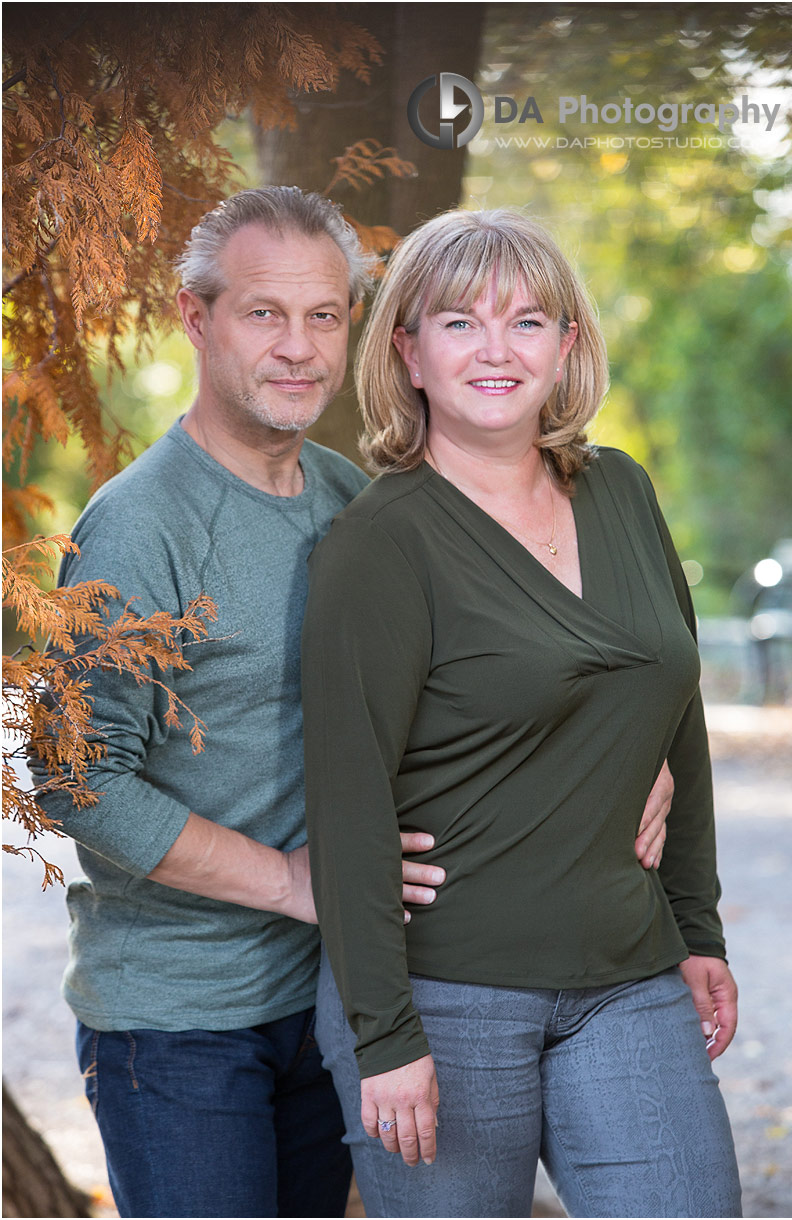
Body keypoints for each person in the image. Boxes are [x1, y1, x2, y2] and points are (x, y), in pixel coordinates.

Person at [301, 208, 742, 1218]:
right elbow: (349, 796)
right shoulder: (379, 543)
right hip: (447, 995)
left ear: (567, 344)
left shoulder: (622, 490)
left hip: (629, 979)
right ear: (407, 349)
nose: (496, 350)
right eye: (459, 323)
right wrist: (384, 1035)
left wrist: (697, 926)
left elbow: (677, 719)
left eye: (528, 320)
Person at [28, 186, 453, 1220]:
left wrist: (649, 765)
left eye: (324, 315)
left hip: (327, 1003)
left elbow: (459, 685)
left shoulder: (351, 497)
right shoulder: (138, 529)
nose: (299, 347)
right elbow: (74, 776)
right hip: (175, 1024)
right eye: (265, 312)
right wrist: (295, 880)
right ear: (195, 317)